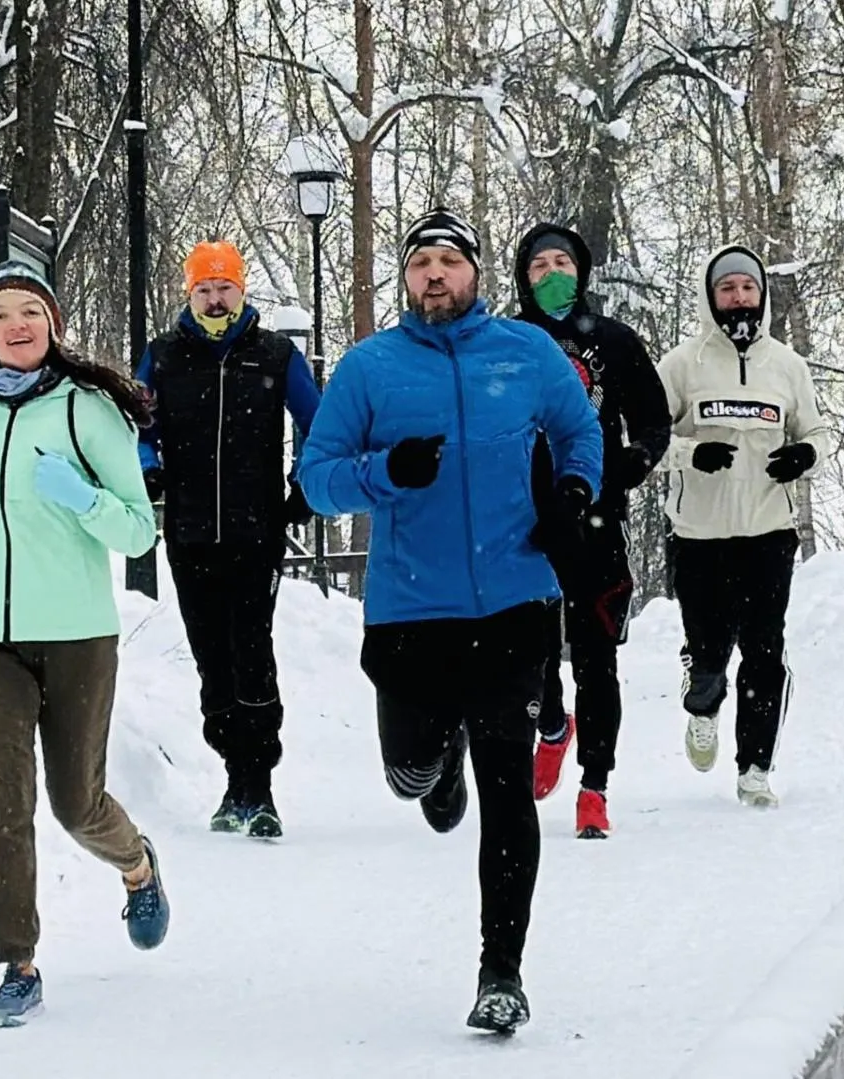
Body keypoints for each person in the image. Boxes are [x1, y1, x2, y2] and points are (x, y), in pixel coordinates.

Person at [297, 207, 603, 1034]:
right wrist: (383, 472)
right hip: (410, 611)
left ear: (474, 274)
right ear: (407, 279)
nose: (435, 274)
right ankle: (435, 765)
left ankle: (501, 967)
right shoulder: (371, 368)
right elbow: (316, 478)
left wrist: (575, 493)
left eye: (449, 261)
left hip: (514, 601)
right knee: (409, 770)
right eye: (420, 262)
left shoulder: (526, 352)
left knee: (511, 788)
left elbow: (581, 432)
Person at [0, 261, 172, 1027]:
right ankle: (18, 963)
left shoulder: (89, 410)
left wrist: (84, 497)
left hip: (76, 635)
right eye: (0, 314)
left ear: (53, 324)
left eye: (30, 310)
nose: (16, 324)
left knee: (74, 801)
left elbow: (138, 529)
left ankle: (135, 864)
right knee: (3, 801)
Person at [135, 241, 322, 839]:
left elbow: (317, 422)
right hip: (189, 532)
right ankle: (230, 771)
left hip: (256, 531)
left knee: (251, 651)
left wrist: (304, 486)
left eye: (225, 288)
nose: (215, 299)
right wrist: (148, 464)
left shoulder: (274, 353)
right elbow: (138, 423)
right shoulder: (163, 356)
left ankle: (258, 783)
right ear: (188, 295)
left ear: (243, 292)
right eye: (203, 290)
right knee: (211, 658)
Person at [654, 243, 832, 809]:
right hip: (698, 536)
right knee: (710, 653)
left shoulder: (788, 366)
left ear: (762, 296)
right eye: (727, 289)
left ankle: (755, 767)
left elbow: (817, 434)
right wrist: (689, 454)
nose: (738, 298)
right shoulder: (681, 364)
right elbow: (647, 442)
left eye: (747, 289)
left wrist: (803, 457)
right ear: (711, 297)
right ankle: (702, 703)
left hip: (768, 532)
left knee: (764, 649)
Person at [511, 223, 671, 839]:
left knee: (597, 657)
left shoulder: (615, 341)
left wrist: (634, 462)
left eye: (562, 263)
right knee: (532, 652)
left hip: (598, 520)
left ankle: (594, 787)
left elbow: (654, 421)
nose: (551, 275)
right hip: (523, 521)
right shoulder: (508, 341)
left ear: (581, 272)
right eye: (538, 265)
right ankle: (552, 724)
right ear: (523, 278)